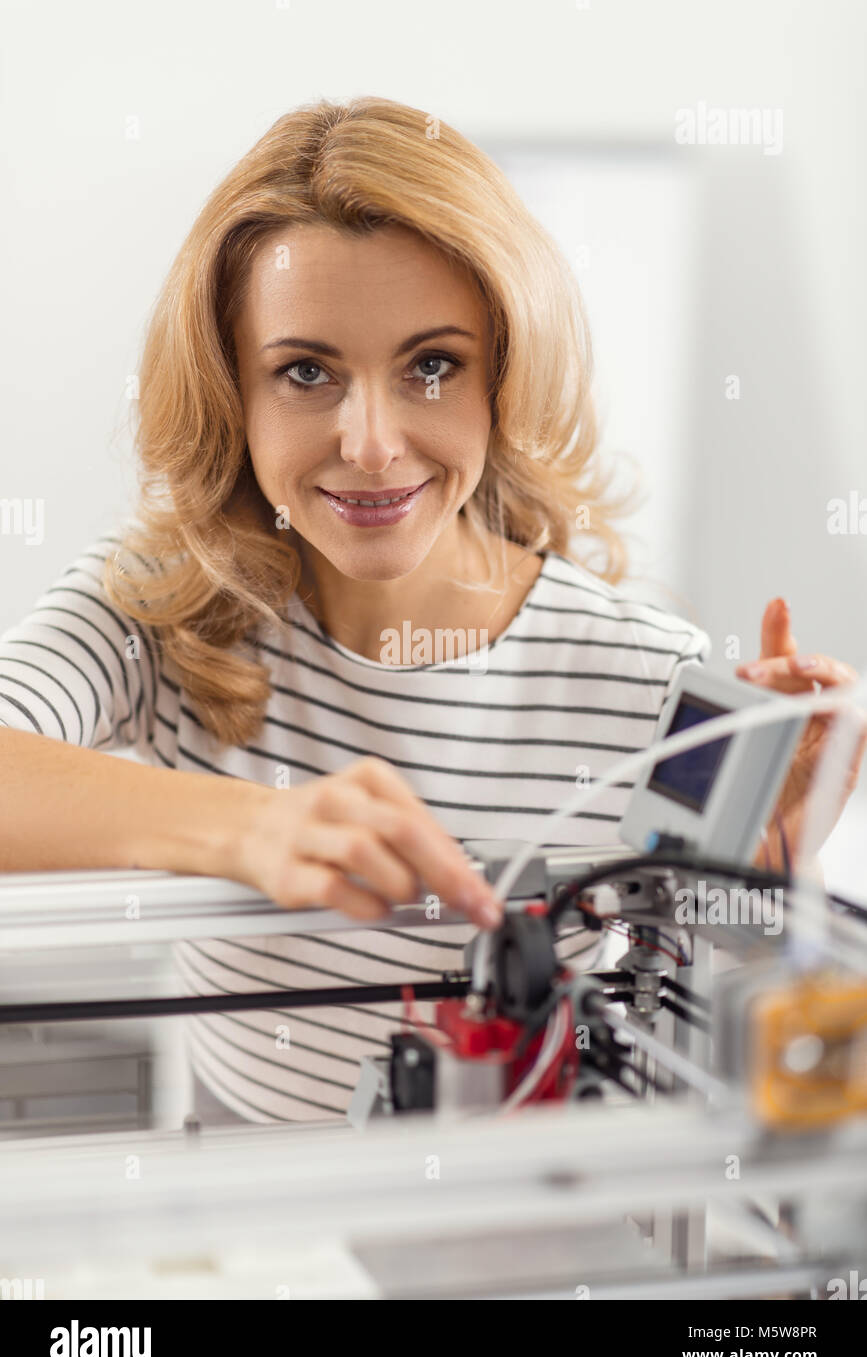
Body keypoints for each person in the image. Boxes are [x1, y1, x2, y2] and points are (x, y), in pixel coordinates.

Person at [0, 97, 860, 1124]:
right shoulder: (170, 604)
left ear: (506, 377)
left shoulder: (650, 679)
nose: (370, 442)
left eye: (432, 366)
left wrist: (769, 877)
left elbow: (700, 1040)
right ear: (235, 392)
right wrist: (251, 827)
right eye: (306, 372)